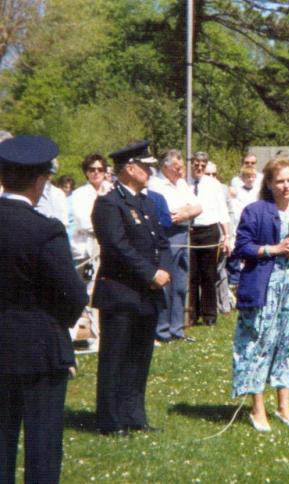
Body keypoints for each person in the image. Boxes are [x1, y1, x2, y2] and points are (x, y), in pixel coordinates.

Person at [0, 135, 87, 483]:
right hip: (40, 351)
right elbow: (73, 294)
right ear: (40, 181)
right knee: (43, 446)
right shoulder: (45, 230)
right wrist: (56, 323)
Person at [232, 155, 289, 432]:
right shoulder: (255, 211)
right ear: (269, 183)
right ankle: (257, 408)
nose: (286, 186)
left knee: (287, 345)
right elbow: (242, 247)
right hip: (264, 288)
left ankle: (284, 406)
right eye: (280, 181)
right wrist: (274, 249)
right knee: (259, 344)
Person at [92, 141, 172, 436]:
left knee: (139, 358)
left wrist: (163, 270)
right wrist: (151, 273)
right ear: (129, 168)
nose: (151, 171)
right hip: (121, 292)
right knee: (115, 358)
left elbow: (161, 241)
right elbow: (117, 247)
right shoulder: (109, 204)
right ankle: (110, 421)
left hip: (147, 294)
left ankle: (134, 415)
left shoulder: (146, 202)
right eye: (146, 166)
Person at [149, 149, 202, 342]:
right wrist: (183, 211)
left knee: (180, 284)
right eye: (177, 167)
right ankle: (162, 331)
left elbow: (198, 206)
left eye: (181, 167)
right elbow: (165, 213)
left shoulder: (181, 184)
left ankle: (177, 329)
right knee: (165, 283)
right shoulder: (155, 185)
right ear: (165, 167)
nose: (181, 171)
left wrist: (186, 213)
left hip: (183, 234)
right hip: (166, 236)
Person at [188, 151, 230, 327]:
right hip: (190, 232)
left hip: (210, 231)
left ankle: (209, 315)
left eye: (202, 165)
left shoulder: (214, 184)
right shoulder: (184, 183)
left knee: (208, 275)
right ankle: (192, 314)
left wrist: (226, 236)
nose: (199, 168)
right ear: (192, 164)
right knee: (192, 276)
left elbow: (222, 211)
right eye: (196, 164)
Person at [69, 154, 112, 280]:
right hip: (87, 248)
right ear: (86, 172)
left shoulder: (112, 190)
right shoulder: (79, 194)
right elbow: (84, 223)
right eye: (92, 169)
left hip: (110, 246)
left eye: (100, 169)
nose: (96, 172)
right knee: (89, 287)